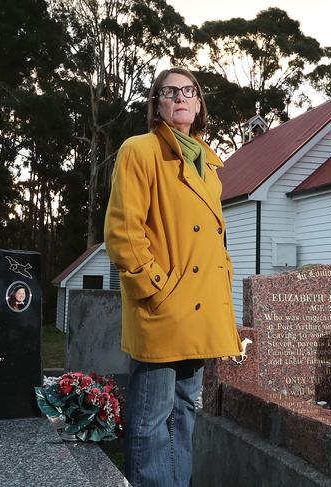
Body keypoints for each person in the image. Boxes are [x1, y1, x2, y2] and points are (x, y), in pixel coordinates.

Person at [104, 67, 243, 487]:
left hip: (200, 314)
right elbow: (123, 232)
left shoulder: (208, 164)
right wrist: (154, 290)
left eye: (189, 91)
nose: (180, 97)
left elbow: (212, 245)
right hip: (164, 312)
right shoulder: (140, 150)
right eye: (170, 92)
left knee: (184, 415)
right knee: (150, 421)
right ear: (157, 104)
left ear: (199, 103)